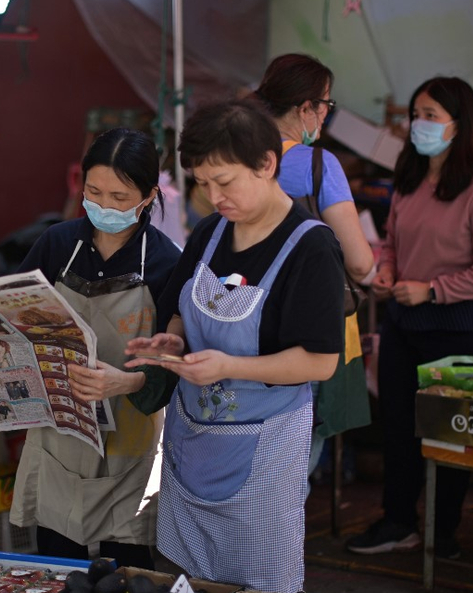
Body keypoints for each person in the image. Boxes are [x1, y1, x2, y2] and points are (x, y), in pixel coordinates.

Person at [125, 98, 345, 592]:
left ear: (267, 165)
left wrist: (230, 365)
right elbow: (182, 306)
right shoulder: (209, 233)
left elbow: (321, 361)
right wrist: (172, 338)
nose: (213, 195)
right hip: (193, 441)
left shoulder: (310, 248)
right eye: (202, 183)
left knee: (259, 578)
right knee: (190, 579)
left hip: (266, 447)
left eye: (224, 182)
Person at [0, 128, 181, 569]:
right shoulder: (57, 244)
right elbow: (6, 319)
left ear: (149, 196)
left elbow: (175, 367)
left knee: (124, 569)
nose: (104, 206)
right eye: (94, 191)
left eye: (119, 195)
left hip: (128, 443)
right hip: (57, 433)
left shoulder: (168, 262)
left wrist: (127, 380)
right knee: (56, 566)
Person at [344, 77, 473, 560]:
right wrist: (389, 269)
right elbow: (392, 242)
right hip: (402, 326)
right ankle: (399, 522)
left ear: (460, 124)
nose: (419, 124)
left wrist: (433, 290)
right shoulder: (410, 182)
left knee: (451, 437)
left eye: (431, 115)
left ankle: (445, 534)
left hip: (459, 333)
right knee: (398, 430)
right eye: (416, 113)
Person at [255, 53, 374, 490]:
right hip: (310, 332)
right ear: (305, 108)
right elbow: (360, 261)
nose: (326, 114)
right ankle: (272, 552)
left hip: (245, 322)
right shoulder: (317, 164)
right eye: (326, 104)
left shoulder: (242, 160)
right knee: (291, 470)